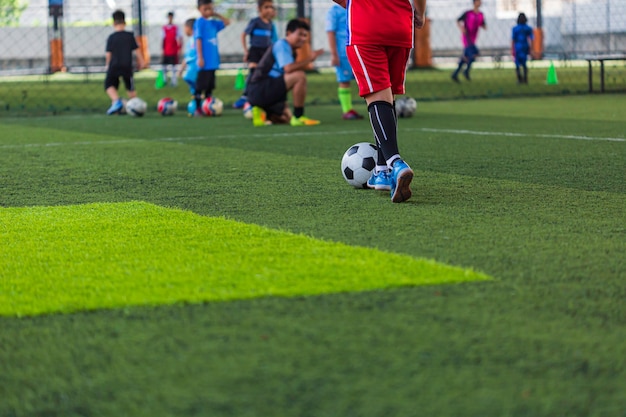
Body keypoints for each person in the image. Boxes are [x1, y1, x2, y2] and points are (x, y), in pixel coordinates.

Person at [332, 0, 425, 203]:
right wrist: (420, 12)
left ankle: (395, 163)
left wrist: (356, 5)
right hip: (400, 25)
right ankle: (382, 172)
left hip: (365, 26)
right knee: (387, 96)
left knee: (376, 95)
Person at [247, 18, 323, 127]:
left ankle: (261, 112)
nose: (303, 39)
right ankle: (298, 116)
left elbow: (282, 80)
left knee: (284, 118)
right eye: (300, 34)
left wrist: (284, 106)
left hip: (267, 90)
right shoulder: (282, 45)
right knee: (299, 76)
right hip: (259, 89)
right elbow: (288, 69)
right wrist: (309, 60)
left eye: (305, 35)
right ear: (289, 33)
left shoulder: (292, 51)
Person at [233, 0, 278, 109]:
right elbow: (244, 35)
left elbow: (273, 40)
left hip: (266, 52)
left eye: (271, 7)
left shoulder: (271, 25)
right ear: (259, 9)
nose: (269, 10)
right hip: (255, 50)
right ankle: (245, 96)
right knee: (253, 72)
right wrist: (245, 51)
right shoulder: (255, 22)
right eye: (266, 7)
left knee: (264, 74)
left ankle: (259, 97)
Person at [104, 9, 146, 115]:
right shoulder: (130, 36)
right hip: (127, 65)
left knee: (109, 84)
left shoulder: (111, 38)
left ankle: (116, 100)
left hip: (114, 65)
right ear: (125, 22)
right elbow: (137, 50)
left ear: (113, 23)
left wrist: (107, 64)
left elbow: (108, 54)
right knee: (130, 88)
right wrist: (142, 62)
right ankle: (135, 106)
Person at [326, 3, 363, 120]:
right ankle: (347, 110)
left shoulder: (359, 5)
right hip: (343, 53)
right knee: (344, 80)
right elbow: (330, 32)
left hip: (360, 49)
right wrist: (333, 54)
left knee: (366, 79)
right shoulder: (334, 11)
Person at [193, 0, 230, 117]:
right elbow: (198, 40)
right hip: (204, 61)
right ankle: (197, 108)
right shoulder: (199, 23)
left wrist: (216, 14)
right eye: (205, 9)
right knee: (200, 86)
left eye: (210, 9)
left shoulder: (213, 23)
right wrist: (200, 57)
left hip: (213, 61)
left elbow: (227, 22)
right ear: (199, 9)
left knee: (210, 86)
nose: (208, 11)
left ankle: (208, 107)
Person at [451, 0, 486, 83]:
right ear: (474, 2)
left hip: (473, 38)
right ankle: (466, 72)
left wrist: (483, 26)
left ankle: (455, 74)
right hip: (467, 37)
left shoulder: (481, 15)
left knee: (466, 57)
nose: (480, 2)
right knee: (474, 53)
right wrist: (462, 28)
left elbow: (482, 24)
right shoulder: (468, 13)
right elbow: (458, 20)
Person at [177, 18, 198, 96]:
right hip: (191, 66)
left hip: (195, 65)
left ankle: (199, 98)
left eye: (184, 28)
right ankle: (197, 98)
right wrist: (181, 69)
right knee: (192, 84)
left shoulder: (196, 39)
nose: (184, 30)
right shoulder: (191, 40)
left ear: (188, 28)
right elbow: (186, 57)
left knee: (188, 78)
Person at [161, 11, 183, 87]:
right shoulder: (164, 28)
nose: (170, 18)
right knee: (164, 66)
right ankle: (165, 80)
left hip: (174, 50)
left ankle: (174, 82)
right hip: (166, 50)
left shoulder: (176, 28)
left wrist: (180, 48)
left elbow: (180, 38)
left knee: (174, 66)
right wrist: (162, 49)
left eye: (171, 17)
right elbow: (162, 39)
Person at [512, 12, 533, 84]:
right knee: (524, 63)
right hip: (524, 46)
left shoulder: (515, 29)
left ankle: (519, 79)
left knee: (517, 63)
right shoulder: (528, 28)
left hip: (517, 47)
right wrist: (531, 48)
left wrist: (512, 49)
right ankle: (525, 78)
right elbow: (531, 38)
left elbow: (513, 40)